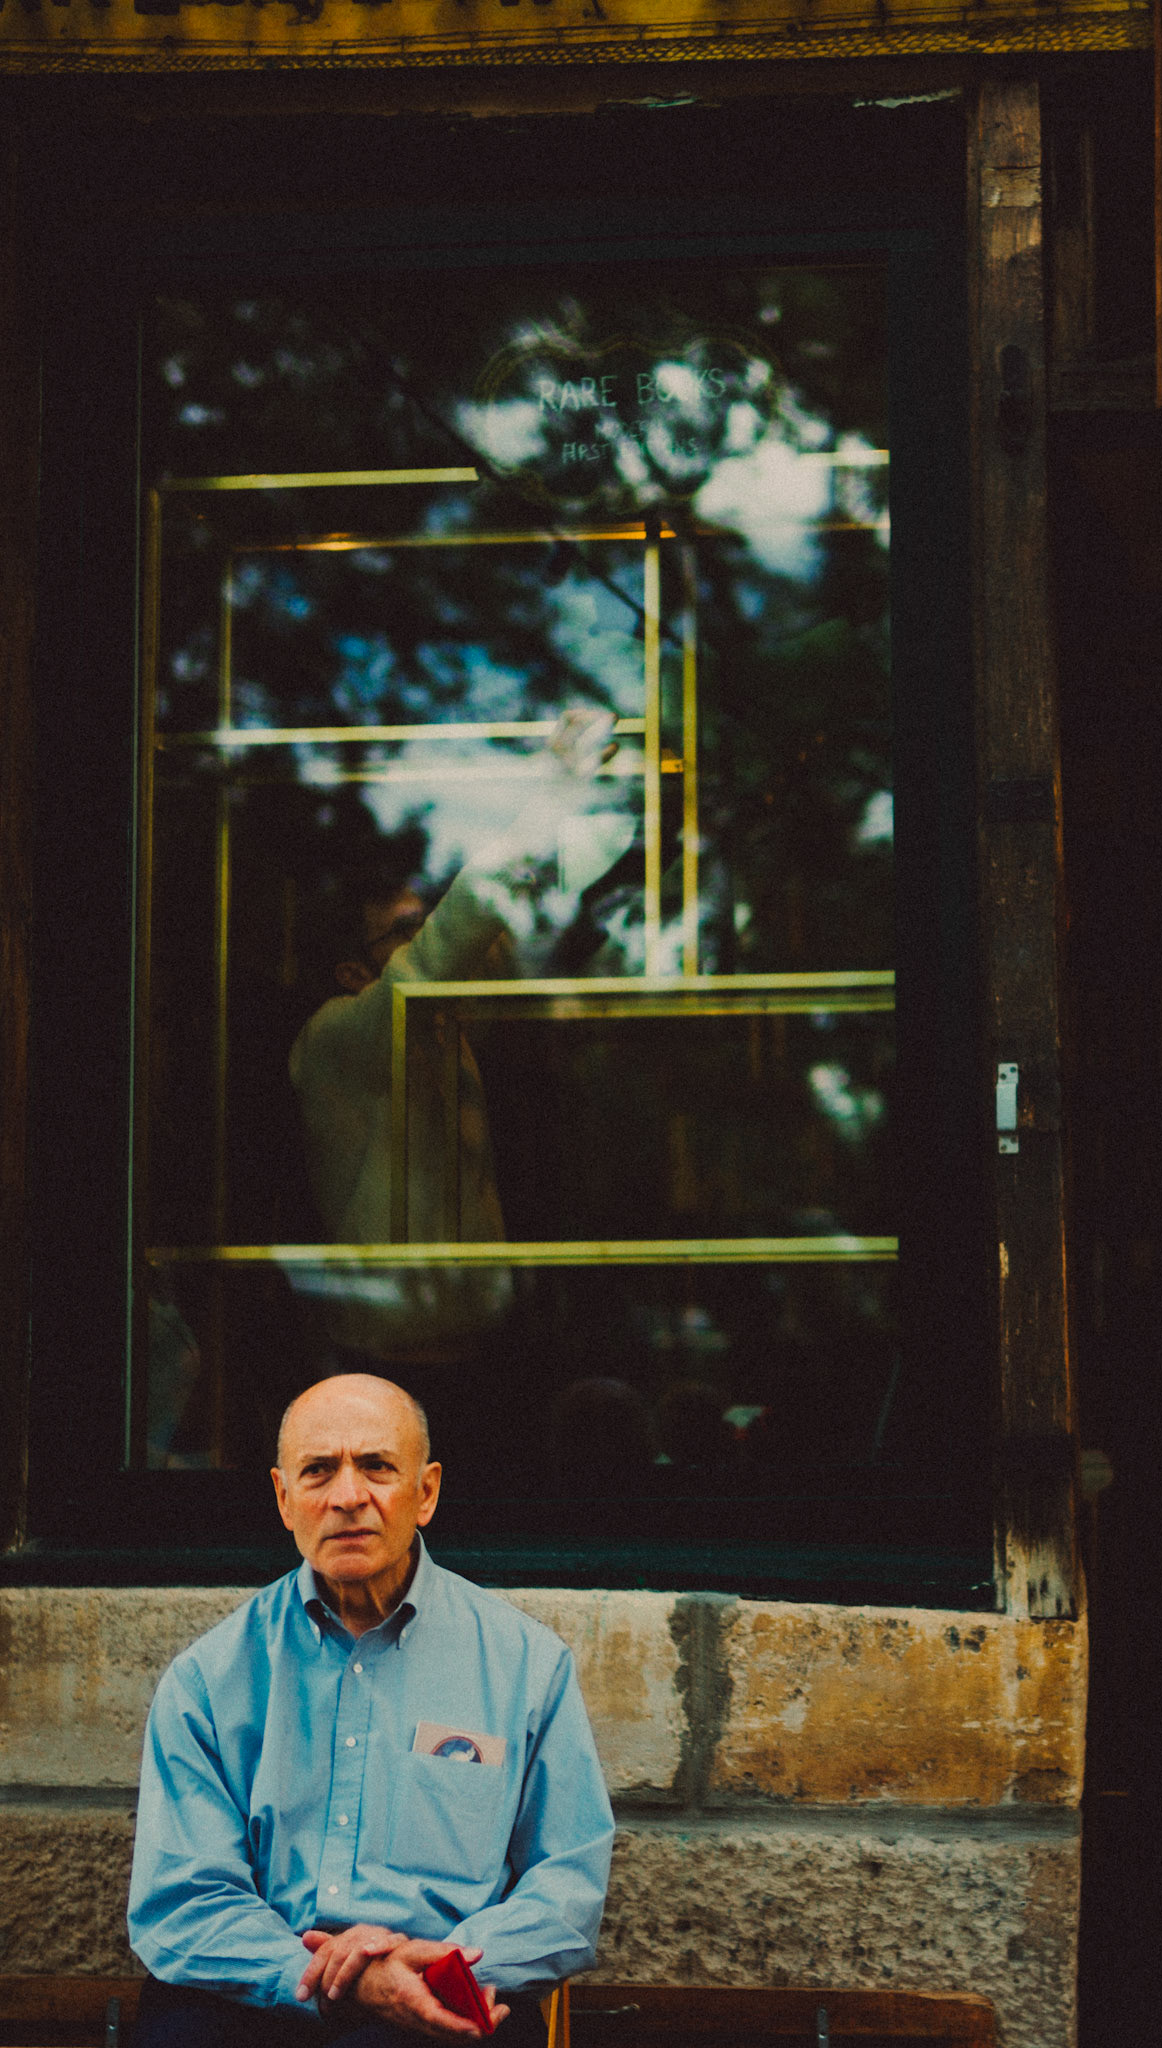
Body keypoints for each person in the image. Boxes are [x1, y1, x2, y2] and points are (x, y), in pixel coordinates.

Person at [127, 1372, 615, 2045]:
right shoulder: (210, 1678)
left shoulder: (527, 1667)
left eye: (377, 1467)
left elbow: (566, 1890)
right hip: (256, 1996)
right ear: (284, 1498)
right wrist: (340, 1980)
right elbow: (183, 1902)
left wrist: (438, 1967)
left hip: (449, 1994)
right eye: (319, 1471)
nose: (348, 1496)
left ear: (426, 1492)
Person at [289, 709, 617, 1368]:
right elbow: (459, 935)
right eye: (405, 931)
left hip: (476, 1348)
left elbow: (504, 927)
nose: (425, 938)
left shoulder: (443, 1029)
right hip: (391, 1361)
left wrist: (614, 820)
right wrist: (552, 791)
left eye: (423, 924)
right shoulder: (339, 1032)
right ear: (354, 971)